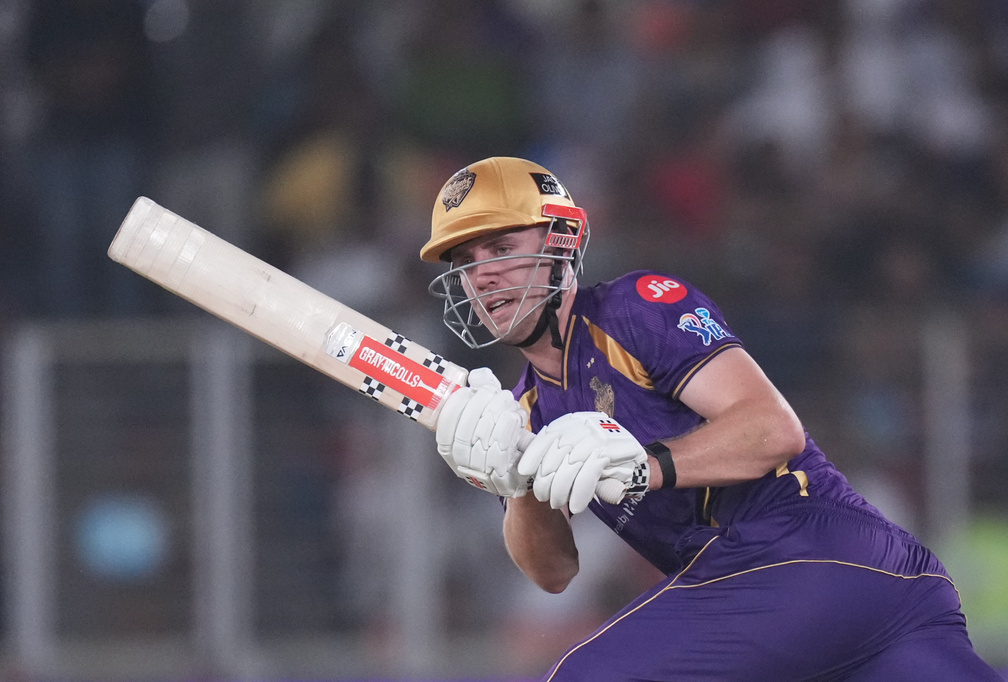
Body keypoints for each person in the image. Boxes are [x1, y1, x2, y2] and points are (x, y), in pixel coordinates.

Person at [420, 156, 1000, 681]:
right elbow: (553, 572)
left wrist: (645, 467)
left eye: (500, 249)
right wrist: (513, 483)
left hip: (805, 552)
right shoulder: (521, 410)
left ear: (562, 237)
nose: (482, 276)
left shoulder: (636, 305)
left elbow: (773, 429)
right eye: (465, 262)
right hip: (862, 598)